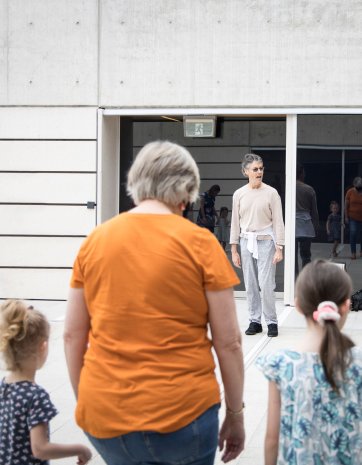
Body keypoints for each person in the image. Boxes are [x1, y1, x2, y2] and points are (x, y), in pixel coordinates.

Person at [64, 140, 245, 465]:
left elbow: (72, 336)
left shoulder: (95, 241)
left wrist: (88, 404)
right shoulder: (201, 244)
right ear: (187, 190)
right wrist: (236, 413)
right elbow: (229, 342)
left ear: (136, 183)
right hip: (183, 414)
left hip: (105, 415)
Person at [256, 259, 360, 465]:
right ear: (347, 306)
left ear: (298, 305)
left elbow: (272, 439)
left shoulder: (281, 364)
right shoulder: (357, 362)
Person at [0, 300, 92, 465]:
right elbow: (40, 449)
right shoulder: (36, 396)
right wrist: (80, 449)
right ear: (43, 347)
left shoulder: (4, 386)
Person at [230, 153, 285, 338]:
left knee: (266, 283)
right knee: (251, 283)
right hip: (246, 241)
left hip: (266, 242)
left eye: (261, 168)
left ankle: (271, 321)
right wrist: (234, 248)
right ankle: (255, 320)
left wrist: (280, 247)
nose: (259, 171)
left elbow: (278, 221)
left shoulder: (271, 193)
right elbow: (235, 223)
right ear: (245, 171)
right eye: (255, 169)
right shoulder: (239, 194)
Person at [295, 164, 319, 276]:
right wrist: (316, 225)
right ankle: (305, 278)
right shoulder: (309, 189)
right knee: (306, 255)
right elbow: (314, 211)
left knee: (292, 256)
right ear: (301, 174)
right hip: (305, 224)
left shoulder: (289, 187)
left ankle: (293, 278)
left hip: (292, 223)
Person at [345, 176, 362, 259]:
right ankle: (353, 253)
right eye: (358, 184)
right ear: (354, 184)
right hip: (353, 217)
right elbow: (346, 205)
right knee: (353, 233)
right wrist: (346, 216)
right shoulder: (350, 192)